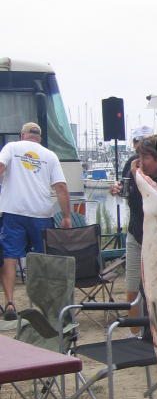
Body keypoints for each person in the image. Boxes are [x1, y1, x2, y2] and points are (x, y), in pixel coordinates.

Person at [0, 122, 72, 320]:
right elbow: (61, 188)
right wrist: (66, 216)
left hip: (13, 211)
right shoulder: (49, 155)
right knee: (44, 260)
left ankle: (10, 304)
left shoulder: (12, 147)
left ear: (23, 135)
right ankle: (49, 307)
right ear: (39, 138)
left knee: (10, 257)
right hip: (41, 214)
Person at [110, 135, 157, 332]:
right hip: (136, 233)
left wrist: (139, 177)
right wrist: (117, 188)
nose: (140, 162)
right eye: (138, 157)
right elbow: (126, 188)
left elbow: (156, 198)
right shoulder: (132, 165)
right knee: (132, 285)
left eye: (145, 158)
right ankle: (135, 334)